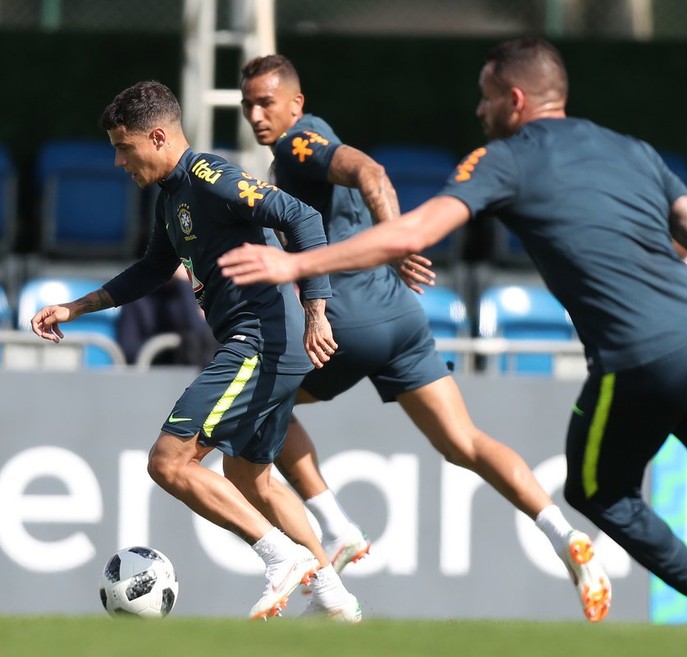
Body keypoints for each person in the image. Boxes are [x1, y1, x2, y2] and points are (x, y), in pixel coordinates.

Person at [219, 37, 687, 622]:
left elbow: (414, 226)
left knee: (594, 487)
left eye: (485, 100)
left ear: (514, 100)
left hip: (638, 352)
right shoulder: (633, 150)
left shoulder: (504, 158)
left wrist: (294, 269)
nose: (479, 112)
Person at [238, 54, 611, 622]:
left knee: (257, 405)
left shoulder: (298, 144)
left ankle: (335, 530)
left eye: (267, 102)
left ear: (297, 104)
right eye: (248, 105)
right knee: (464, 442)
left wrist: (398, 238)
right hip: (400, 315)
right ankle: (564, 537)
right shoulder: (308, 144)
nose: (256, 115)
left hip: (346, 315)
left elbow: (371, 173)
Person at [30, 80, 360, 622]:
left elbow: (303, 217)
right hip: (266, 346)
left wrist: (317, 309)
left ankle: (280, 559)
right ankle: (333, 597)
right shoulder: (172, 197)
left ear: (158, 137)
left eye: (124, 146)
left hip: (258, 341)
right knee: (251, 478)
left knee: (169, 461)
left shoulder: (210, 176)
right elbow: (154, 269)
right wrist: (77, 307)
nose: (117, 161)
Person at [116, 265, 219, 367]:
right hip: (155, 376)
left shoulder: (206, 291)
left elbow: (204, 342)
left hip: (197, 373)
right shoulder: (139, 297)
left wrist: (185, 284)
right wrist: (167, 346)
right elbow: (128, 351)